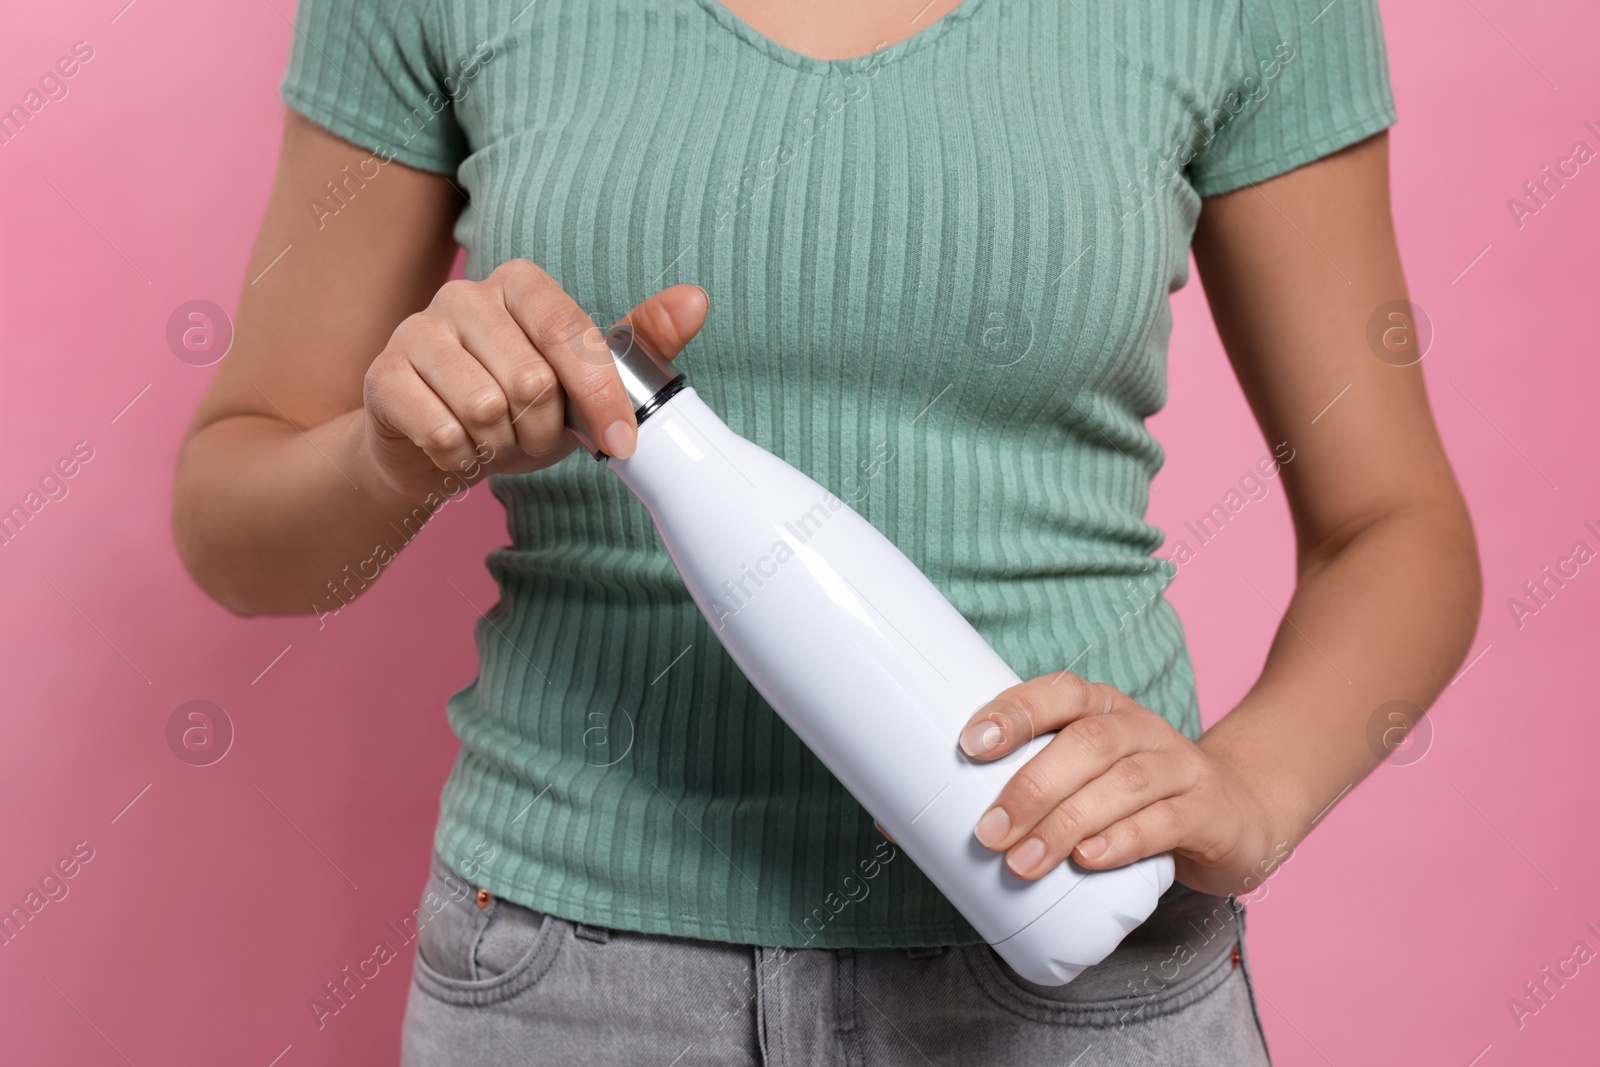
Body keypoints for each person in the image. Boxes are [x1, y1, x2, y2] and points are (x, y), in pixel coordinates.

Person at [172, 0, 1480, 1062]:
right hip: (566, 984)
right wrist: (390, 452)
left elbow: (1394, 525)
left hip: (1078, 975)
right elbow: (239, 528)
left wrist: (1254, 785)